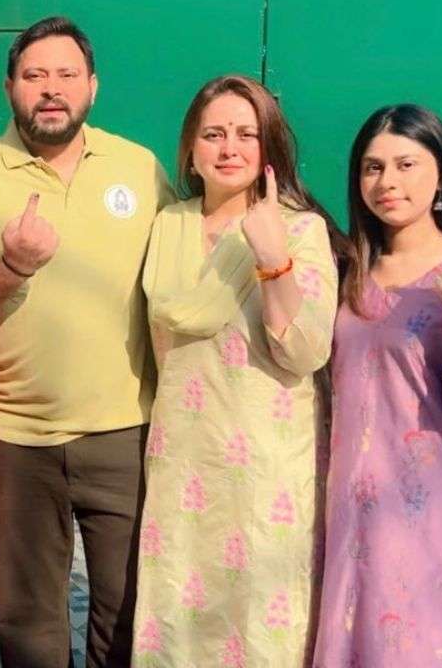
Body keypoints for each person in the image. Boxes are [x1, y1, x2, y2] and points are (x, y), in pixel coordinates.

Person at [0, 15, 173, 667]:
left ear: (93, 86)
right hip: (16, 438)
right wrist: (12, 267)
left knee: (126, 611)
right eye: (36, 75)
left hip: (125, 431)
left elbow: (185, 268)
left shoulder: (139, 169)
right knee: (26, 620)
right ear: (10, 87)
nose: (52, 89)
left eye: (67, 74)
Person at [131, 75, 342, 666]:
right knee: (178, 614)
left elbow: (304, 352)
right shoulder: (166, 225)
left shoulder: (301, 230)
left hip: (268, 464)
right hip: (183, 457)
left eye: (247, 134)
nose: (230, 148)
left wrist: (273, 258)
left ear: (268, 148)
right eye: (214, 134)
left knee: (258, 626)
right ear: (191, 151)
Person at [313, 105, 442, 668]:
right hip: (356, 510)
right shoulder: (352, 271)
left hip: (438, 511)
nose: (388, 182)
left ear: (440, 174)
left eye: (406, 164)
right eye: (373, 168)